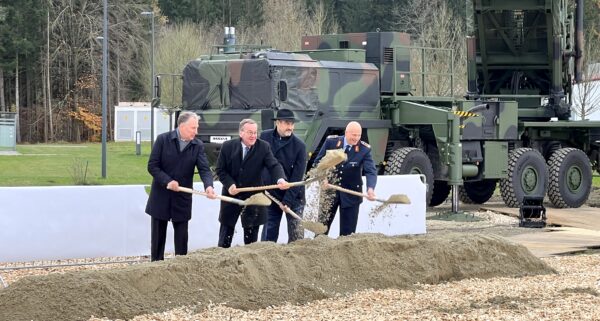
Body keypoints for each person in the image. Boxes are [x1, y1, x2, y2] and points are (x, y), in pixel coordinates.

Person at [145, 111, 216, 261]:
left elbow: (204, 169)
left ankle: (181, 269)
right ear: (182, 126)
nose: (196, 132)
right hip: (161, 197)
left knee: (182, 239)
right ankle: (156, 267)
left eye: (197, 128)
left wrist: (209, 186)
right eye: (193, 128)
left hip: (182, 199)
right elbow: (153, 166)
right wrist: (167, 181)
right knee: (158, 238)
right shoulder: (163, 140)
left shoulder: (197, 145)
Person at [215, 118, 288, 248]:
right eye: (250, 132)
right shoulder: (228, 147)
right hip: (231, 195)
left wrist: (280, 179)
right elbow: (220, 170)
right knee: (225, 234)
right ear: (241, 133)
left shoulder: (263, 147)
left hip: (254, 198)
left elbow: (274, 165)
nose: (253, 136)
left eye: (255, 132)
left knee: (251, 240)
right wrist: (230, 185)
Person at [313, 121, 377, 236]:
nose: (356, 138)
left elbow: (371, 171)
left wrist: (370, 188)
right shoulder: (331, 142)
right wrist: (322, 178)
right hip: (329, 193)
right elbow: (318, 163)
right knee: (321, 230)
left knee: (348, 234)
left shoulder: (364, 149)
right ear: (346, 133)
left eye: (358, 135)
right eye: (353, 135)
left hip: (351, 194)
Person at [260, 109, 307, 243]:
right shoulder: (264, 138)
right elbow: (258, 162)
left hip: (294, 197)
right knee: (269, 235)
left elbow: (298, 177)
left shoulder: (300, 146)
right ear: (278, 123)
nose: (290, 127)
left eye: (292, 124)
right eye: (287, 123)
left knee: (296, 236)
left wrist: (287, 201)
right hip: (271, 195)